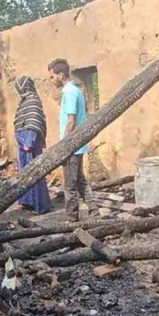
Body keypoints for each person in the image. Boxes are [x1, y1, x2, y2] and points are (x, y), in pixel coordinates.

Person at [47, 58, 98, 222]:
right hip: (79, 145)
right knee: (80, 180)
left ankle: (72, 218)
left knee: (69, 185)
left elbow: (71, 120)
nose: (51, 80)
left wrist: (64, 145)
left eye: (51, 76)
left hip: (72, 146)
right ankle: (94, 210)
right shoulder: (76, 90)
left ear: (60, 75)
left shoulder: (69, 92)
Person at [13, 76, 52, 215]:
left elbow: (34, 122)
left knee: (35, 173)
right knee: (24, 173)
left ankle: (39, 205)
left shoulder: (33, 100)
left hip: (29, 143)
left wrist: (28, 142)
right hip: (23, 142)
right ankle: (26, 202)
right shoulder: (24, 101)